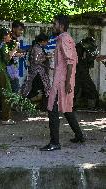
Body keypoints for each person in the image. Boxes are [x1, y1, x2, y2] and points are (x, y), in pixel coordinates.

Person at [40, 14, 85, 151]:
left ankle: (55, 143)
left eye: (55, 24)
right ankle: (79, 136)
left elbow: (70, 61)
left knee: (52, 109)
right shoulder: (67, 38)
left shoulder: (63, 39)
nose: (53, 26)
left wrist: (66, 83)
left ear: (61, 25)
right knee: (67, 109)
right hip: (64, 79)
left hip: (62, 81)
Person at [0, 27, 18, 124]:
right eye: (9, 35)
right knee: (7, 93)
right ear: (5, 36)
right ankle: (5, 118)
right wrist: (15, 48)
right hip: (0, 70)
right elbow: (7, 59)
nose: (10, 37)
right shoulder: (3, 44)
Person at [21, 33, 52, 111]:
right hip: (37, 73)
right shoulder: (37, 48)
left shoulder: (37, 47)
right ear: (42, 41)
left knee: (35, 90)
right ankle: (43, 108)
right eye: (46, 42)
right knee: (45, 90)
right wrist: (47, 57)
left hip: (36, 73)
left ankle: (25, 105)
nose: (47, 43)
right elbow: (36, 61)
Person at [74, 37, 106, 109]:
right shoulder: (79, 47)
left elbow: (94, 57)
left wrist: (98, 58)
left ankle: (92, 105)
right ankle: (71, 105)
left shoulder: (84, 47)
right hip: (79, 71)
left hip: (82, 71)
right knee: (77, 88)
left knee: (87, 88)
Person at [6, 21, 25, 93]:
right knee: (14, 90)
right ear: (14, 29)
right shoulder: (9, 39)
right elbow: (7, 54)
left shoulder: (14, 39)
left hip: (12, 67)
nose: (21, 32)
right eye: (20, 29)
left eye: (22, 30)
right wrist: (17, 54)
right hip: (8, 68)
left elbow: (15, 50)